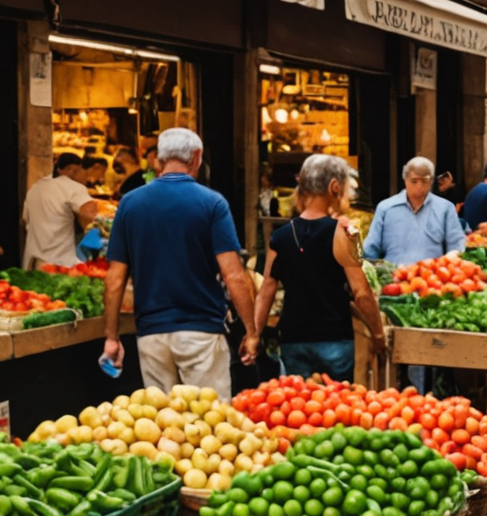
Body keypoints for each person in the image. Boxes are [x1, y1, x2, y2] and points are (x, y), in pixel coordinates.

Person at [102, 128, 258, 398]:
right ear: (196, 158)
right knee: (210, 427)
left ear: (157, 160)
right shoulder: (212, 203)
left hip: (152, 336)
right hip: (202, 334)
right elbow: (233, 275)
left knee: (163, 430)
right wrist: (251, 331)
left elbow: (114, 280)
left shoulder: (130, 203)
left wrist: (111, 338)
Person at [253, 154, 386, 380]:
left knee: (299, 409)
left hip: (293, 340)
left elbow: (266, 290)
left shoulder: (280, 237)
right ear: (334, 186)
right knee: (335, 409)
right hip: (335, 339)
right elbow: (362, 292)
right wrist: (378, 334)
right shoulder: (346, 234)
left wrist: (253, 335)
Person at [364, 156, 465, 266]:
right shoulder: (385, 208)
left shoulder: (445, 208)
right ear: (405, 180)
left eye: (424, 181)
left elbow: (457, 247)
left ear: (431, 181)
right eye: (414, 181)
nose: (419, 187)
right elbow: (370, 251)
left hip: (432, 278)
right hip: (393, 278)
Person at [22, 153, 101, 270]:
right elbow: (90, 212)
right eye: (85, 173)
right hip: (59, 264)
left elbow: (25, 220)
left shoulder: (35, 188)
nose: (87, 178)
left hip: (33, 262)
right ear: (74, 170)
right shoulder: (72, 187)